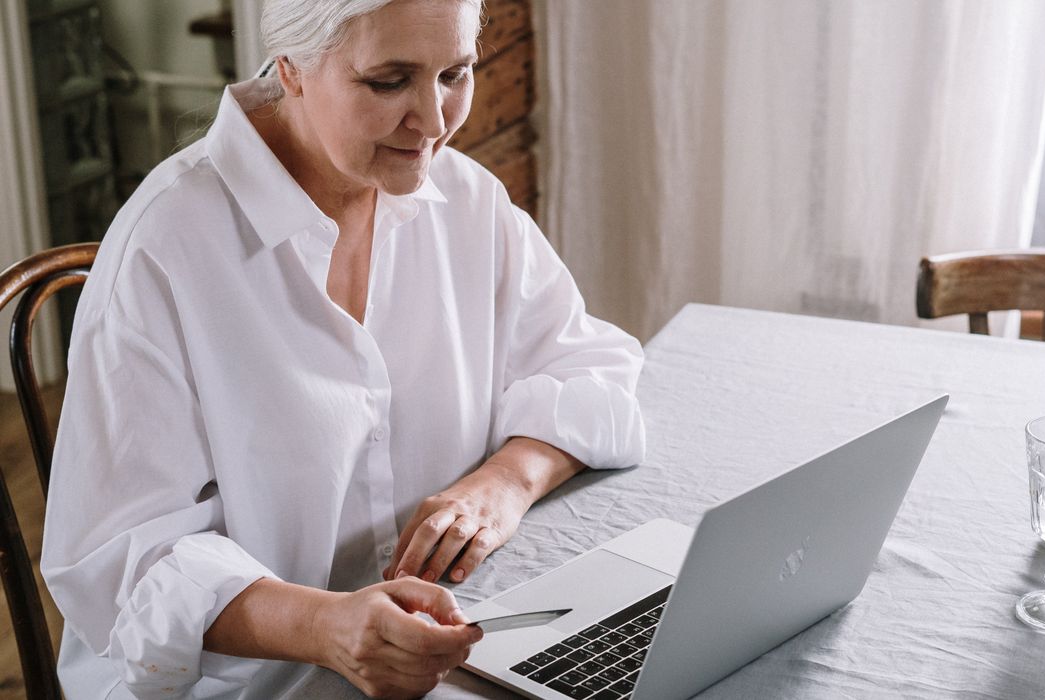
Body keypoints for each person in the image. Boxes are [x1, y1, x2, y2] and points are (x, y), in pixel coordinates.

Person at [40, 0, 646, 697]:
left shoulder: (466, 201)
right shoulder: (165, 248)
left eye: (455, 71)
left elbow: (591, 366)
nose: (435, 119)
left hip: (447, 651)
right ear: (292, 69)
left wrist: (502, 483)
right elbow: (119, 567)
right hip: (252, 686)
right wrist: (327, 628)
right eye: (389, 81)